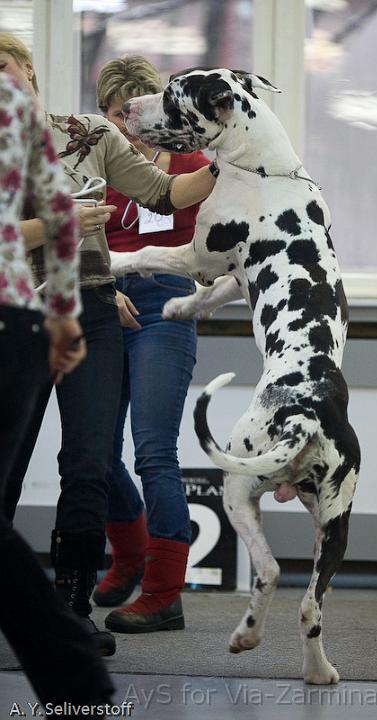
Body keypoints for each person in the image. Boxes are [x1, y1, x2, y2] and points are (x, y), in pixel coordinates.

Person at [0, 32, 216, 656]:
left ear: (31, 72)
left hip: (91, 305)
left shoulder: (90, 134)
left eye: (3, 66)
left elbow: (165, 191)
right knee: (6, 469)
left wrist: (235, 158)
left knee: (90, 463)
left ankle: (73, 608)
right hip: (16, 312)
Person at [0, 71, 114, 711]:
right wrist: (66, 315)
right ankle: (76, 679)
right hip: (21, 317)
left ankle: (76, 678)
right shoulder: (16, 105)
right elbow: (61, 211)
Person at [91, 56, 209, 633]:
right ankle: (131, 552)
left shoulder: (191, 163)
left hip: (166, 303)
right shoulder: (94, 161)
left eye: (138, 114)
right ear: (104, 115)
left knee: (154, 451)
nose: (129, 127)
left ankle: (164, 592)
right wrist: (103, 285)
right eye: (118, 115)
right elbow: (74, 237)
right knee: (93, 452)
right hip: (102, 297)